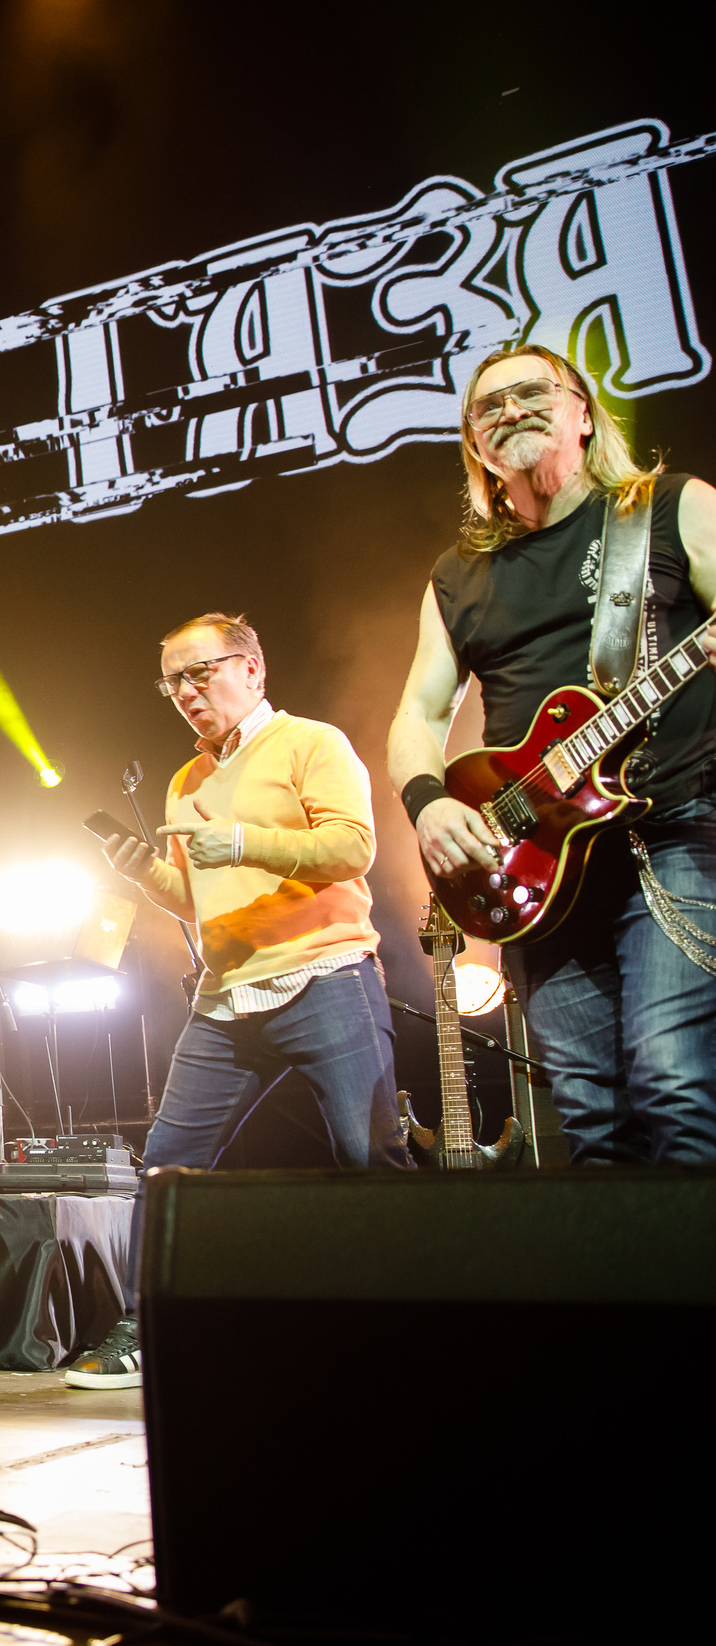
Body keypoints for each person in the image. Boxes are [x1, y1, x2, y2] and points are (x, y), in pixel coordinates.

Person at [390, 342, 716, 1164]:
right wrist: (429, 804)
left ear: (581, 411)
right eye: (489, 406)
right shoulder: (458, 574)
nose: (511, 410)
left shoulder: (673, 507)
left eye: (532, 392)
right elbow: (418, 714)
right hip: (535, 864)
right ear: (476, 446)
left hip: (668, 831)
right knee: (591, 1124)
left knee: (674, 1083)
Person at [71, 611, 406, 1389]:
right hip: (225, 999)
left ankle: (405, 1314)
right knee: (164, 1166)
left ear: (252, 668)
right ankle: (143, 1325)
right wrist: (139, 871)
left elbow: (354, 846)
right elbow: (197, 898)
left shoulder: (310, 742)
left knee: (371, 1157)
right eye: (172, 682)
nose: (186, 692)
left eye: (200, 672)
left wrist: (250, 840)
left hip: (326, 974)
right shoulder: (186, 780)